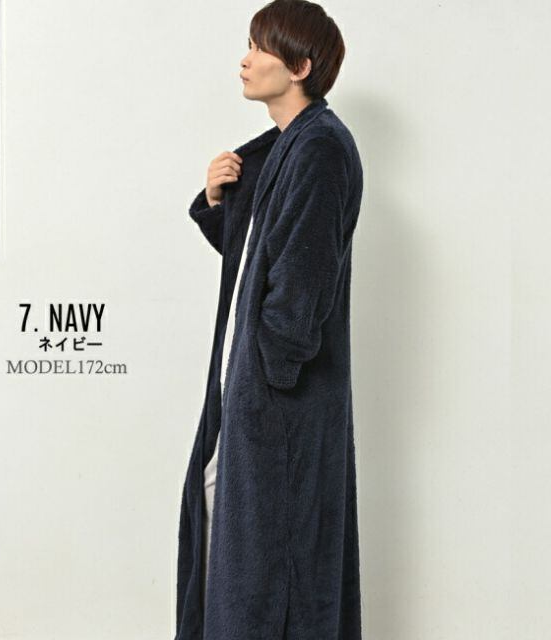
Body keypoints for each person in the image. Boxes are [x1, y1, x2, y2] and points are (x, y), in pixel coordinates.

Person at [176, 1, 364, 638]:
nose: (245, 60)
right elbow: (260, 258)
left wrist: (270, 374)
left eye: (259, 48)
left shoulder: (321, 150)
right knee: (233, 548)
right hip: (252, 391)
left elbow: (300, 285)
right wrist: (218, 200)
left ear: (300, 67)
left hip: (280, 403)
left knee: (274, 569)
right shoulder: (287, 148)